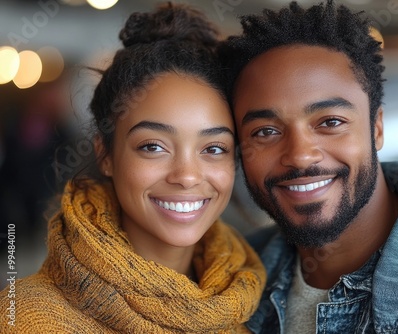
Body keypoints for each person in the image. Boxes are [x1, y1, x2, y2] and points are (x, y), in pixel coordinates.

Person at [218, 1, 398, 333]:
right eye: (266, 131)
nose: (300, 156)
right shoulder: (230, 275)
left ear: (376, 128)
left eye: (330, 122)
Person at [0, 2, 265, 333]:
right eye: (153, 146)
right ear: (106, 155)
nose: (186, 175)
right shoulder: (27, 319)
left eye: (213, 148)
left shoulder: (254, 306)